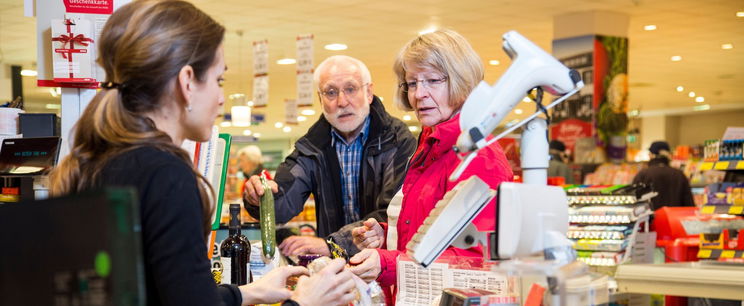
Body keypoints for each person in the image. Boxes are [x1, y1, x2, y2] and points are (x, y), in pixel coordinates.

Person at [48, 1, 356, 305]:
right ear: (186, 83)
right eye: (218, 79)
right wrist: (304, 302)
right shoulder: (167, 175)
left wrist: (249, 292)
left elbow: (170, 292)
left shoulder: (96, 160)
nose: (222, 98)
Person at [346, 29, 513, 304]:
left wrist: (387, 264)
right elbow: (431, 234)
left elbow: (477, 263)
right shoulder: (431, 145)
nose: (418, 94)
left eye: (432, 81)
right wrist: (386, 236)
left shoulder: (479, 159)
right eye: (412, 83)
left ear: (461, 81)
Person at [243, 55, 417, 257]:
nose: (342, 102)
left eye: (351, 89)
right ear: (320, 99)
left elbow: (392, 213)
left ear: (369, 92)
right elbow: (281, 204)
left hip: (386, 268)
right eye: (331, 92)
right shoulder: (312, 146)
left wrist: (333, 245)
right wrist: (259, 197)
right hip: (334, 270)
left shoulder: (397, 141)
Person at [632, 141, 694, 210]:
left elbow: (634, 202)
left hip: (650, 220)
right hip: (674, 219)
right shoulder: (679, 175)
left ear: (652, 155)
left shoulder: (643, 174)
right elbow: (689, 205)